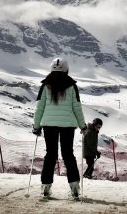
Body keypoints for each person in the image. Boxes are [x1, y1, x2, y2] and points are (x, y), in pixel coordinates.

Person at [33, 58, 86, 200]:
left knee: (50, 155)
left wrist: (36, 126)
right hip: (68, 125)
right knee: (68, 154)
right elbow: (77, 107)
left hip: (49, 125)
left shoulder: (45, 85)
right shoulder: (72, 86)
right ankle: (74, 188)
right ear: (66, 69)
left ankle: (45, 188)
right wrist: (83, 126)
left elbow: (39, 107)